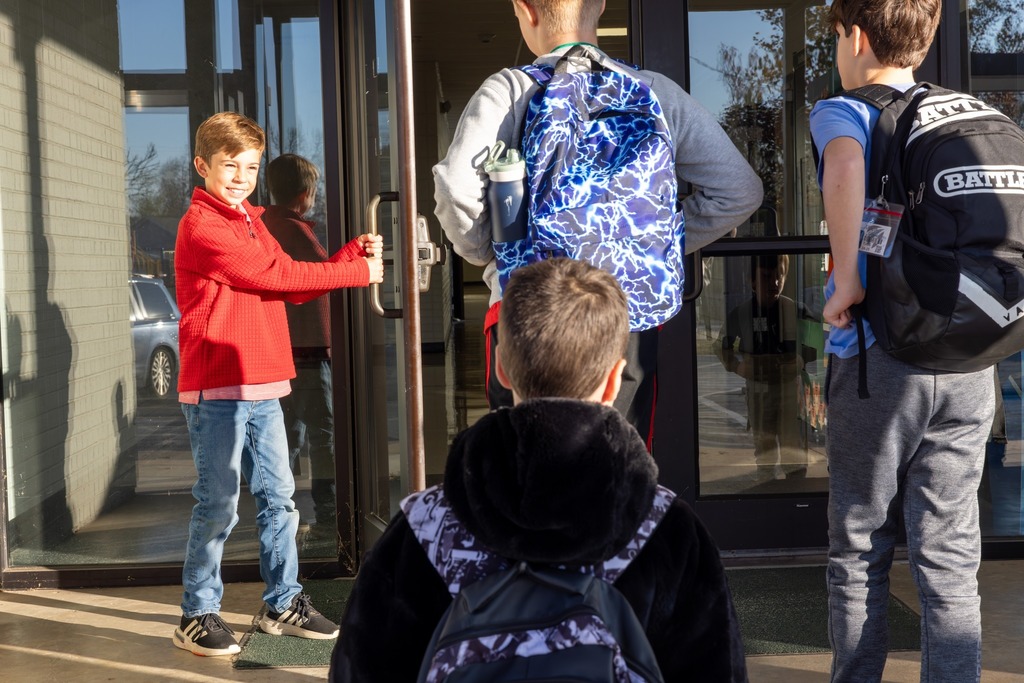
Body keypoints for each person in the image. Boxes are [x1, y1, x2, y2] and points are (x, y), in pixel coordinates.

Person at [328, 257, 748, 682]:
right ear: (614, 380)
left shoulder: (424, 527)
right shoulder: (666, 528)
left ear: (501, 369)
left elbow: (359, 669)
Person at [433, 0, 763, 445]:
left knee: (525, 465)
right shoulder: (655, 92)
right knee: (618, 464)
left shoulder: (509, 90)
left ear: (524, 9)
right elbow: (740, 191)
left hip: (529, 308)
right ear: (601, 5)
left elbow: (456, 190)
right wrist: (652, 245)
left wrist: (490, 254)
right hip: (627, 316)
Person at [809, 2, 995, 681]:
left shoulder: (845, 109)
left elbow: (844, 171)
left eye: (835, 38)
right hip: (968, 360)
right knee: (949, 557)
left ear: (855, 37)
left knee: (859, 550)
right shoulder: (960, 111)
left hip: (878, 363)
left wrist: (847, 282)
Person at [172, 112, 384, 657]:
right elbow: (274, 277)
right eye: (229, 166)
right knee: (218, 502)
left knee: (280, 498)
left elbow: (289, 284)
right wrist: (354, 274)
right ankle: (196, 614)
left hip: (265, 379)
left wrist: (344, 258)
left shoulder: (250, 219)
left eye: (250, 167)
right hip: (218, 388)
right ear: (202, 166)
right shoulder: (204, 225)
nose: (241, 177)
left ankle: (282, 603)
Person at [263, 153, 336, 538]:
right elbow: (323, 274)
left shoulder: (264, 225)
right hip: (308, 351)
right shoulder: (294, 230)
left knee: (288, 432)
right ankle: (328, 510)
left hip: (282, 350)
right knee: (323, 431)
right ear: (306, 194)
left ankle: (281, 512)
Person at [714, 254, 806, 481]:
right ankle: (766, 488)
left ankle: (795, 491)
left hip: (789, 388)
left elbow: (817, 343)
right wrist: (736, 367)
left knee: (792, 446)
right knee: (764, 447)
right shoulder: (742, 313)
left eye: (779, 276)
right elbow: (720, 345)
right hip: (758, 388)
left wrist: (802, 360)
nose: (775, 283)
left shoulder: (795, 310)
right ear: (751, 282)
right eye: (766, 277)